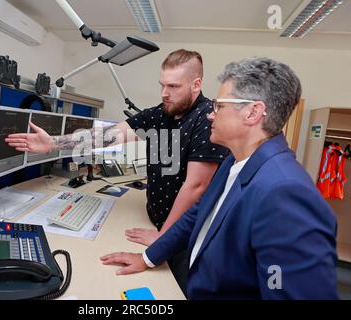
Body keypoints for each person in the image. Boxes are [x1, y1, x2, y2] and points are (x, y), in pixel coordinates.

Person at [100, 57, 338, 299]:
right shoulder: (235, 162)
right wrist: (148, 258)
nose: (211, 116)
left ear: (252, 112)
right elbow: (198, 214)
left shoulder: (285, 192)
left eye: (219, 106)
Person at [6, 49, 229, 294]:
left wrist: (163, 238)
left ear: (196, 84)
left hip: (182, 237)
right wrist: (54, 144)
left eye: (173, 86)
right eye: (162, 85)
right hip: (155, 222)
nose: (165, 93)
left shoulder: (206, 119)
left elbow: (196, 187)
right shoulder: (160, 113)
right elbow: (107, 136)